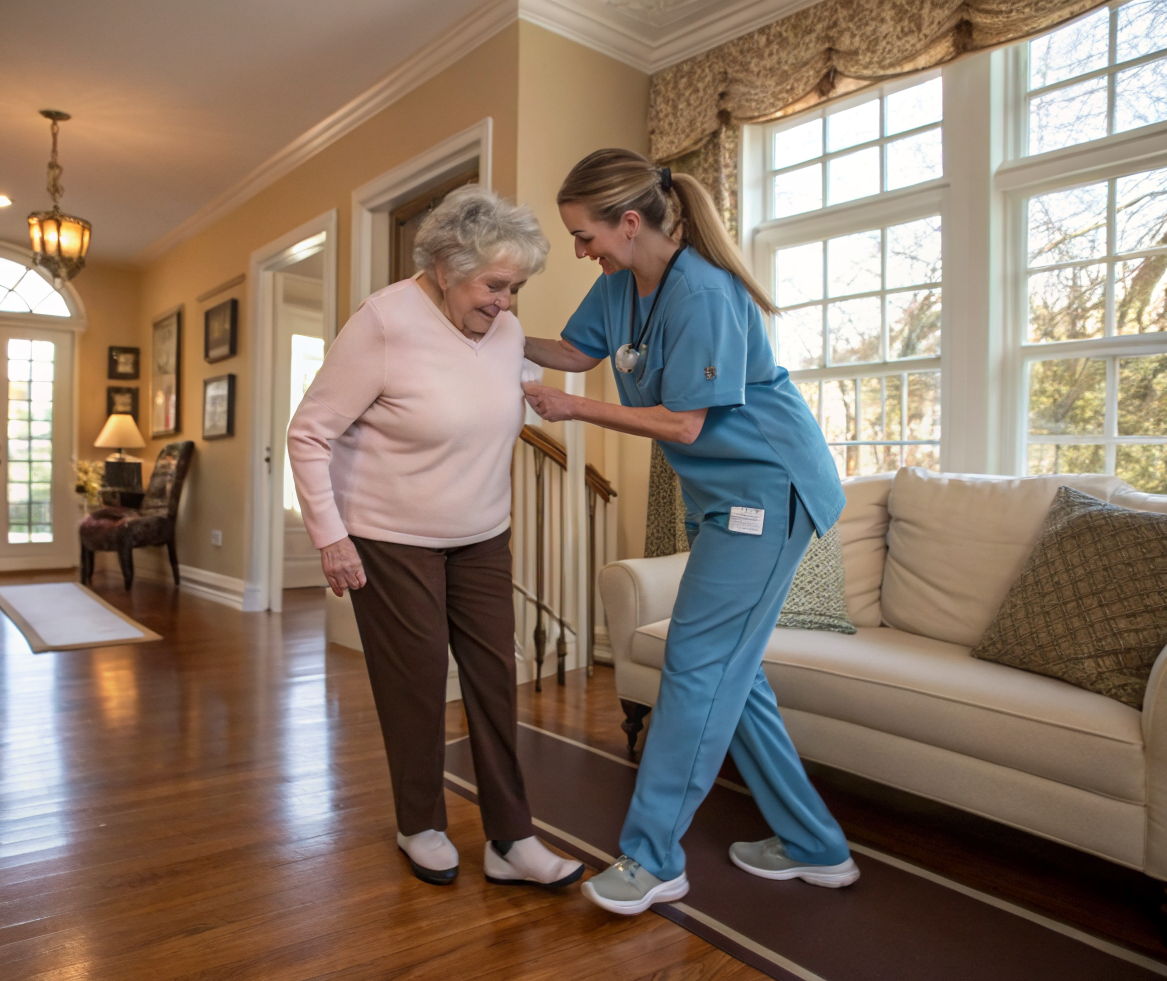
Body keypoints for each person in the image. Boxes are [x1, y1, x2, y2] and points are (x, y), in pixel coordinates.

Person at [522, 150, 859, 915]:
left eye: (584, 235)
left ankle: (652, 858)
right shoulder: (617, 288)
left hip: (770, 490)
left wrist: (573, 409)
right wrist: (487, 326)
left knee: (697, 659)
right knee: (727, 671)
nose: (580, 251)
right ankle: (813, 844)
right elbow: (575, 353)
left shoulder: (703, 293)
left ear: (629, 221)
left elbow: (681, 420)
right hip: (724, 498)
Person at [287, 185, 583, 890]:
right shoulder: (383, 323)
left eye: (514, 287)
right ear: (447, 266)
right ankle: (418, 823)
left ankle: (511, 840)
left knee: (494, 679)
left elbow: (501, 381)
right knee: (416, 683)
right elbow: (309, 433)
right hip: (390, 538)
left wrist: (548, 388)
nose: (506, 302)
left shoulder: (503, 327)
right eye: (494, 285)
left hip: (482, 532)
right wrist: (331, 538)